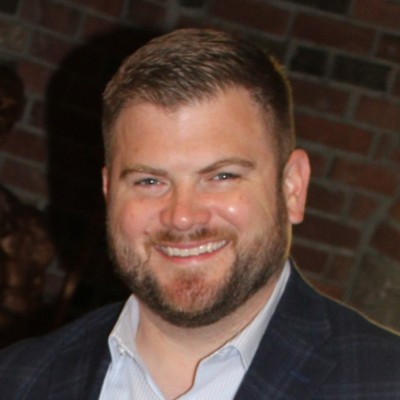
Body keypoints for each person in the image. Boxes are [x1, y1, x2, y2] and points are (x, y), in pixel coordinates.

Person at [1, 28, 400, 400]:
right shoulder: (18, 380)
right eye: (149, 181)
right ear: (108, 193)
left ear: (292, 188)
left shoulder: (384, 382)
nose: (182, 217)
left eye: (221, 176)